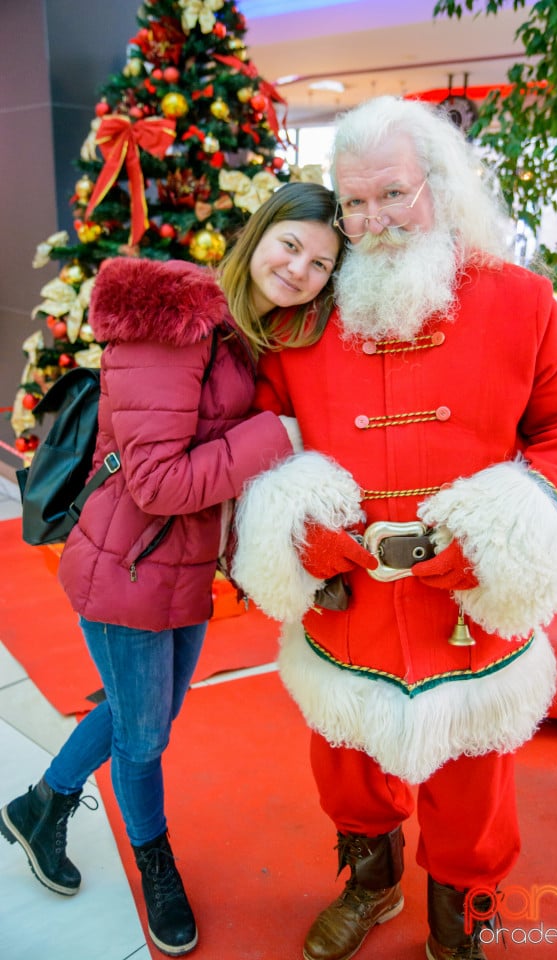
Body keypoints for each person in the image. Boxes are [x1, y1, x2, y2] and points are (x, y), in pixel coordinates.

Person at [230, 97, 557, 960]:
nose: (372, 221)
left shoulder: (519, 299)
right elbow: (265, 435)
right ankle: (371, 886)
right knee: (344, 759)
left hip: (470, 605)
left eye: (393, 194)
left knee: (475, 779)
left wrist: (503, 528)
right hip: (347, 598)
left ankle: (459, 918)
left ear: (437, 186)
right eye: (354, 202)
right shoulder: (304, 312)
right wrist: (296, 523)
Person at [0, 181, 342, 958]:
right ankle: (154, 858)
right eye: (291, 244)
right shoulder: (175, 325)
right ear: (259, 234)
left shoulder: (243, 335)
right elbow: (157, 485)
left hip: (176, 571)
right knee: (145, 730)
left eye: (321, 263)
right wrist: (275, 433)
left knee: (142, 713)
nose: (300, 269)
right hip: (127, 568)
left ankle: (41, 804)